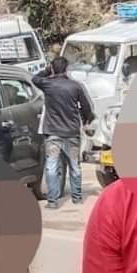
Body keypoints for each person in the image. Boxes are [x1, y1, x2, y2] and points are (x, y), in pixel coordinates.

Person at [32, 56, 94, 209]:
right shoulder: (75, 86)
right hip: (72, 133)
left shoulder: (47, 84)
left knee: (52, 166)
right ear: (67, 69)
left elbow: (35, 79)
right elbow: (86, 107)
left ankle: (53, 201)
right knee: (75, 166)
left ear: (53, 69)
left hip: (53, 133)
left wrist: (47, 71)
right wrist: (86, 120)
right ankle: (77, 198)